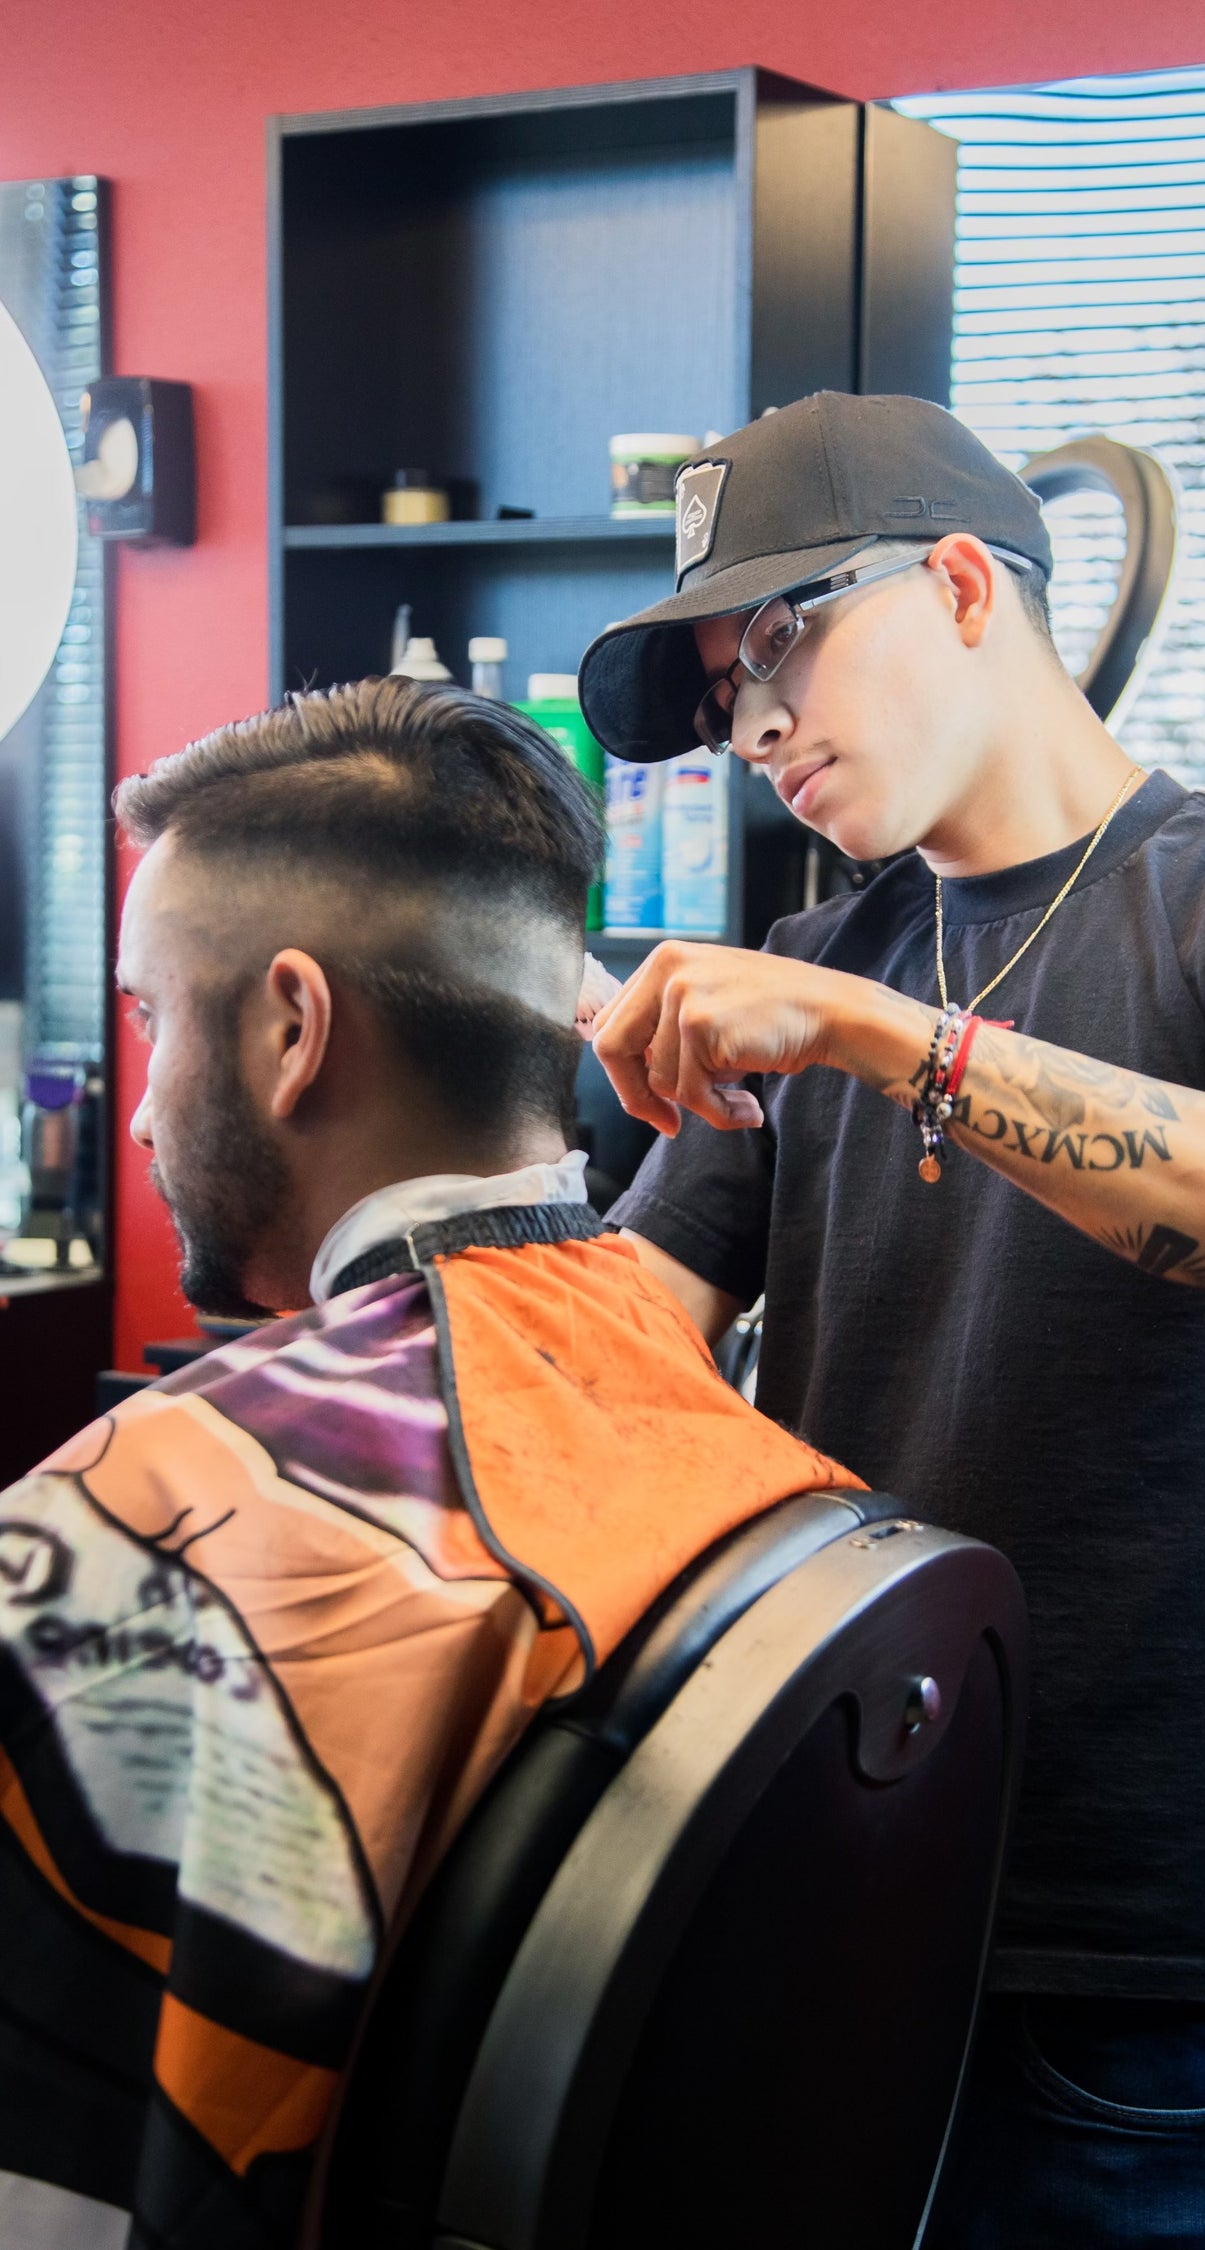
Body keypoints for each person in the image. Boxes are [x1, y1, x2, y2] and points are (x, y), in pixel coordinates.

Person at [577, 390, 1205, 2249]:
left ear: (968, 581)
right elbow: (617, 1358)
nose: (756, 729)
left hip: (1119, 1958)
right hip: (813, 1884)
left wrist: (885, 1043)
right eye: (728, 696)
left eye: (784, 645)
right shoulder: (818, 967)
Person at [0, 678, 858, 2250]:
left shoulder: (138, 1527)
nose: (132, 1118)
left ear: (292, 1027)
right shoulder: (715, 1425)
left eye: (145, 1017)